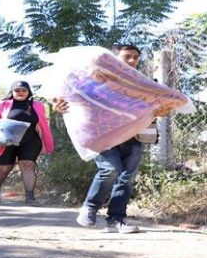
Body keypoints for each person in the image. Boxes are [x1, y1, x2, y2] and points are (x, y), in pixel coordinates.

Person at [54, 44, 157, 233]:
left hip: (133, 136)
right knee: (110, 169)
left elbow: (156, 104)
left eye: (136, 57)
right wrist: (58, 103)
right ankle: (90, 207)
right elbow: (72, 96)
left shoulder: (141, 83)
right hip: (103, 136)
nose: (132, 61)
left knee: (127, 177)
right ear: (114, 58)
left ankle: (116, 220)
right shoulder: (95, 78)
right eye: (127, 56)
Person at [0, 81, 54, 205]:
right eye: (17, 90)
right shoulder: (2, 104)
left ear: (28, 92)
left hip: (30, 140)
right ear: (12, 92)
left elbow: (43, 125)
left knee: (28, 165)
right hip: (7, 141)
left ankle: (30, 197)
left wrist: (47, 142)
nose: (20, 93)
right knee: (4, 168)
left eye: (23, 90)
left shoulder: (38, 105)